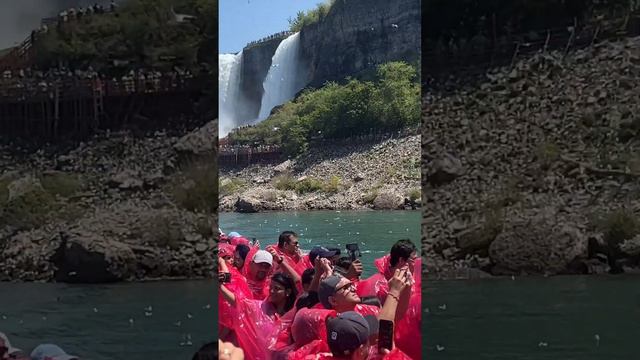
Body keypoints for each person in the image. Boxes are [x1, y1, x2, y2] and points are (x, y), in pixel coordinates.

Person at [219, 271, 298, 360]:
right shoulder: (260, 308)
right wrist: (220, 287)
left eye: (277, 288)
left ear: (288, 292)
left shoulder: (295, 315)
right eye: (271, 287)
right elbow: (238, 303)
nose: (272, 291)